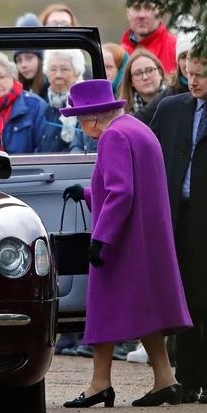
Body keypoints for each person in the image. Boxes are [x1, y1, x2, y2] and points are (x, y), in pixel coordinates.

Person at [60, 79, 192, 408]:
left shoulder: (113, 136)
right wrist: (88, 193)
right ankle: (165, 380)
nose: (80, 126)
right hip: (147, 240)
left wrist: (101, 238)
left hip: (123, 241)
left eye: (79, 119)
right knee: (146, 311)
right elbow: (132, 185)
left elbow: (121, 193)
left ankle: (99, 384)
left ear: (91, 118)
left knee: (103, 312)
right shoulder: (136, 128)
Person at [149, 49, 207, 405]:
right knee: (183, 299)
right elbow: (148, 149)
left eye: (201, 74)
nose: (194, 80)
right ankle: (187, 378)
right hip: (177, 217)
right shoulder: (171, 108)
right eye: (190, 72)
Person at [135, 24, 196, 125]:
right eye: (183, 57)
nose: (187, 64)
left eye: (193, 56)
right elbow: (140, 119)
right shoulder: (168, 95)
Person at [40, 49, 85, 153]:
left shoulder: (85, 105)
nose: (58, 75)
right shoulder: (46, 106)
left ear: (77, 72)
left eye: (64, 69)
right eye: (53, 69)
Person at [121, 0, 177, 76]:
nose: (141, 15)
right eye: (136, 8)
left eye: (148, 8)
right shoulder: (119, 55)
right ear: (128, 14)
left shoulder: (176, 48)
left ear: (161, 14)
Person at [118, 49, 167, 114]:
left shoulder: (177, 100)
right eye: (138, 73)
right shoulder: (123, 113)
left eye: (149, 70)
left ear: (160, 73)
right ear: (131, 81)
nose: (145, 77)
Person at [13, 13, 48, 101]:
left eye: (29, 58)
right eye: (19, 60)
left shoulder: (51, 90)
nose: (23, 65)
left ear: (41, 59)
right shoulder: (14, 89)